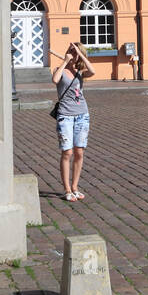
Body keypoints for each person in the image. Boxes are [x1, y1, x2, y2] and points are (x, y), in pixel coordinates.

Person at [52, 43, 94, 201]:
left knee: (79, 152)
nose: (72, 54)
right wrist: (65, 61)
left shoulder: (80, 72)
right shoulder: (59, 70)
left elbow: (93, 71)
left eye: (75, 52)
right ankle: (67, 189)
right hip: (65, 117)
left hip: (82, 115)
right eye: (70, 51)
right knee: (67, 152)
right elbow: (55, 79)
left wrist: (80, 55)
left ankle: (75, 186)